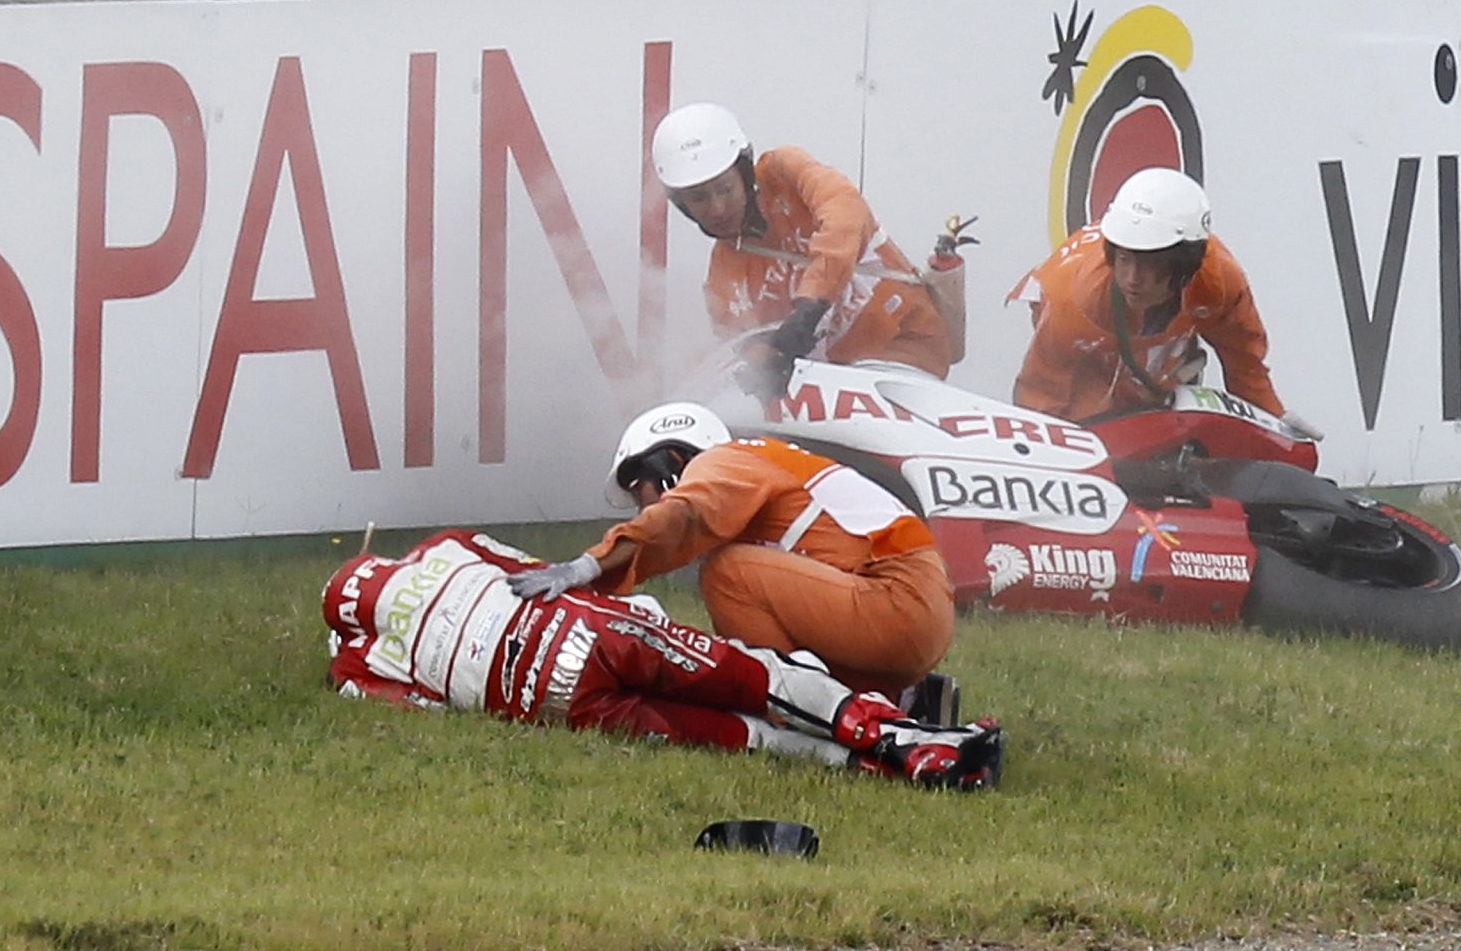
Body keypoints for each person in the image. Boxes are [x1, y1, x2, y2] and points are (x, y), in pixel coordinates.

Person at [323, 527, 1004, 792]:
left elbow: (417, 701)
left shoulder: (356, 660)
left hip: (558, 702)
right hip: (589, 633)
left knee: (738, 734)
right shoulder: (439, 546)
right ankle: (911, 742)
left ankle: (867, 765)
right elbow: (530, 567)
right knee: (752, 677)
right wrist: (628, 612)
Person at [505, 401, 955, 701]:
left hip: (896, 603)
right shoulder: (764, 463)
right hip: (911, 607)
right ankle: (893, 706)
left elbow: (682, 517)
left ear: (669, 463)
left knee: (728, 574)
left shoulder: (724, 461)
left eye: (638, 487)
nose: (643, 506)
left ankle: (797, 713)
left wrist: (587, 566)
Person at [651, 101, 955, 391]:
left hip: (906, 350)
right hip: (835, 392)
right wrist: (764, 365)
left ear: (744, 174)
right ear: (683, 206)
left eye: (725, 189)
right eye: (700, 198)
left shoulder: (785, 173)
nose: (717, 208)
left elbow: (847, 213)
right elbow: (742, 345)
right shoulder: (723, 277)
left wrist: (810, 306)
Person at [1009, 167, 1322, 438]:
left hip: (1156, 352)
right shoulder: (1073, 300)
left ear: (1185, 266)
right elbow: (1041, 393)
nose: (1131, 278)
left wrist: (1274, 424)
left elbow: (1244, 362)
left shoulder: (1220, 281)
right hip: (1081, 333)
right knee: (1092, 419)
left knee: (1156, 418)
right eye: (1123, 258)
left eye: (1148, 264)